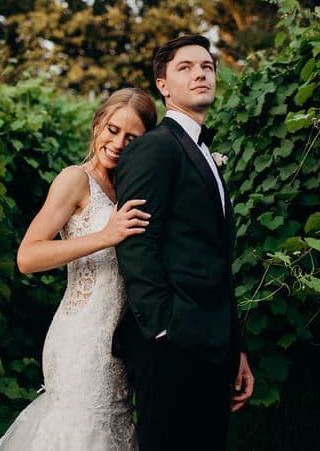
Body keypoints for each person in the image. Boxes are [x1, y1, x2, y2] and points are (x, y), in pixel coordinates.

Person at [0, 88, 158, 451]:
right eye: (112, 130)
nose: (118, 143)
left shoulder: (130, 188)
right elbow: (27, 256)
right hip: (81, 340)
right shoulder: (75, 179)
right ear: (97, 125)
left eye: (131, 138)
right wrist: (106, 236)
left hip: (119, 343)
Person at [113, 34, 254, 451]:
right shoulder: (155, 148)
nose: (200, 74)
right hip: (170, 346)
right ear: (163, 85)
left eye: (207, 67)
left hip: (214, 345)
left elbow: (216, 260)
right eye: (186, 68)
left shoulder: (204, 152)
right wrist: (162, 330)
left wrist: (236, 348)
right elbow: (136, 241)